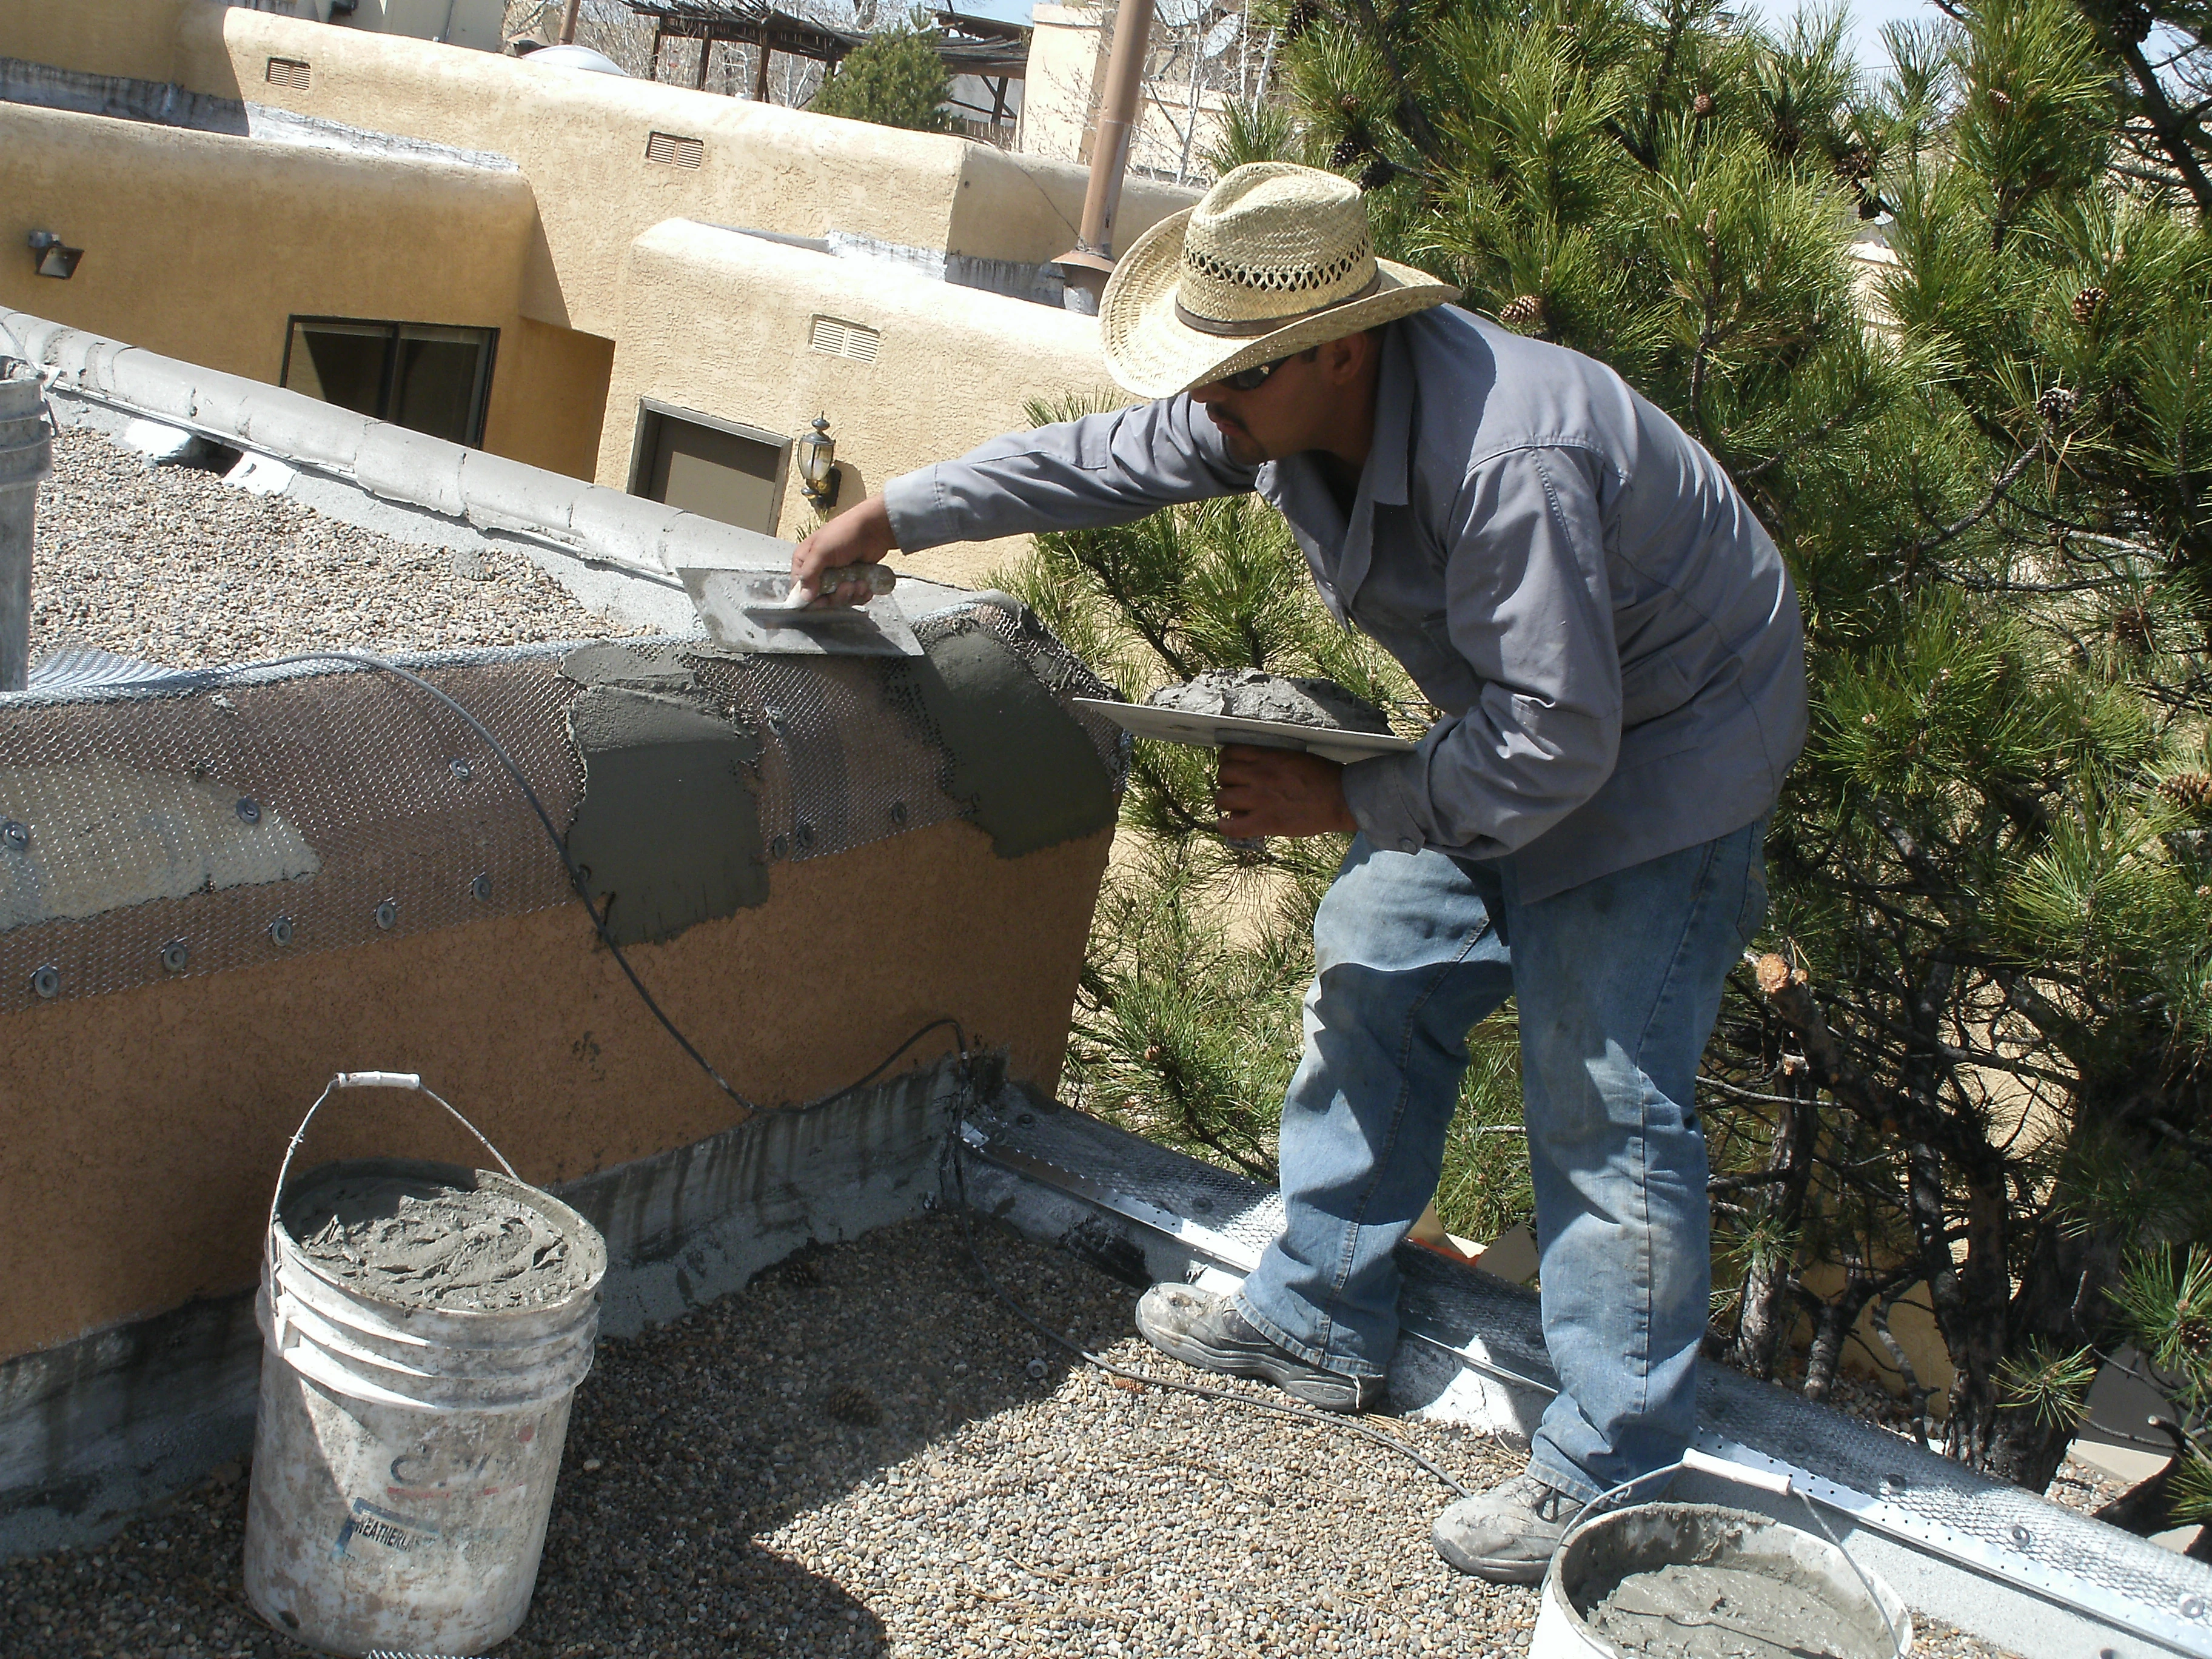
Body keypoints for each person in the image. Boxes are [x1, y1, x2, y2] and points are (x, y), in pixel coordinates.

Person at [793, 162, 1806, 1584]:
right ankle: (1322, 1318)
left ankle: (1611, 1474)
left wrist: (1351, 797)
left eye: (1231, 388)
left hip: (1672, 752)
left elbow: (1562, 748)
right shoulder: (1272, 402)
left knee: (1603, 1099)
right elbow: (1105, 458)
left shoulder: (1509, 458)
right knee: (1381, 951)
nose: (1205, 410)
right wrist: (895, 513)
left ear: (1342, 345)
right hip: (1537, 720)